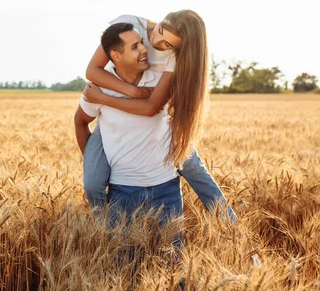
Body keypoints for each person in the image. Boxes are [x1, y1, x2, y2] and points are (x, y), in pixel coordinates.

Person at [82, 12, 236, 221]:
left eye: (167, 44)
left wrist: (114, 97)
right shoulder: (130, 25)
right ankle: (103, 226)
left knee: (193, 168)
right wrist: (132, 92)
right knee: (92, 182)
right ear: (162, 19)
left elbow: (151, 106)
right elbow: (92, 70)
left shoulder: (174, 57)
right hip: (114, 115)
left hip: (152, 116)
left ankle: (232, 226)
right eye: (160, 31)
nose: (156, 42)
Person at [74, 22, 183, 226]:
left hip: (166, 187)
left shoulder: (161, 81)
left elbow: (152, 109)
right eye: (135, 47)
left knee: (173, 256)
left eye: (141, 43)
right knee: (124, 256)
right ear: (116, 56)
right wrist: (94, 165)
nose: (144, 49)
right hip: (123, 190)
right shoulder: (97, 90)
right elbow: (80, 122)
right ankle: (100, 225)